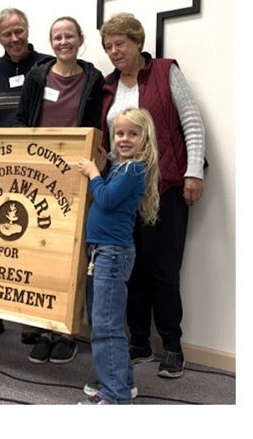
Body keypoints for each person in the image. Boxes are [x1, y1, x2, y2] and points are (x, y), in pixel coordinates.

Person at [98, 13, 206, 379]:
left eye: (120, 44)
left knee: (163, 270)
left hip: (166, 187)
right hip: (123, 188)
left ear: (137, 41)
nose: (114, 51)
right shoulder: (109, 87)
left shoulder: (164, 72)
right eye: (108, 46)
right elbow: (107, 141)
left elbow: (191, 120)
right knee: (131, 268)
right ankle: (139, 341)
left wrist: (194, 171)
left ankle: (172, 346)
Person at [12, 16, 106, 363]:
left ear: (80, 40)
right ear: (50, 42)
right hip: (39, 174)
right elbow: (22, 119)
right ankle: (41, 327)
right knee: (39, 251)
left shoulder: (94, 78)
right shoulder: (38, 75)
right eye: (57, 37)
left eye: (69, 36)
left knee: (71, 255)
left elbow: (97, 125)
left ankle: (65, 332)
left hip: (75, 177)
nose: (63, 41)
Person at [0, 7, 51, 343]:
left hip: (37, 169)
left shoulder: (47, 65)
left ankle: (32, 319)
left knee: (33, 245)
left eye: (19, 31)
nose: (15, 38)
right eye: (7, 34)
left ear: (28, 30)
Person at [76, 108, 161, 405]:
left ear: (145, 139)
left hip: (112, 255)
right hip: (103, 252)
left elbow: (107, 200)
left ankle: (115, 397)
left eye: (132, 134)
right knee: (106, 324)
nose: (124, 139)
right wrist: (101, 167)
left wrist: (93, 173)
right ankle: (122, 384)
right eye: (120, 133)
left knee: (106, 326)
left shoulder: (134, 169)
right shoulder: (122, 167)